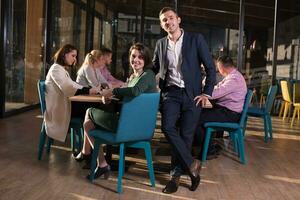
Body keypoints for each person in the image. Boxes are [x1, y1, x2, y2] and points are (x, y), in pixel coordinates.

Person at [152, 7, 216, 194]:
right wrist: (138, 75)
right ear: (162, 25)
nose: (168, 22)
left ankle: (176, 177)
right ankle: (191, 163)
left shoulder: (196, 39)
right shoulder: (161, 44)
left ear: (178, 20)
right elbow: (155, 68)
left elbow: (211, 68)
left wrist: (207, 93)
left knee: (186, 137)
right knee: (167, 127)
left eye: (171, 18)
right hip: (171, 93)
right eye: (164, 20)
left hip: (192, 94)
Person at [76, 43, 157, 179]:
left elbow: (134, 91)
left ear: (146, 59)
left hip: (130, 127)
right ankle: (101, 164)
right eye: (133, 56)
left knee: (89, 112)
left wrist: (112, 91)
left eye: (140, 57)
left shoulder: (147, 75)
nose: (136, 59)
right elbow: (129, 98)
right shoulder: (136, 76)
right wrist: (110, 98)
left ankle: (89, 155)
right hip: (131, 124)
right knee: (88, 125)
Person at [194, 55, 247, 159]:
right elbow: (218, 88)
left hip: (230, 114)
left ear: (221, 67)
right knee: (199, 113)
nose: (218, 70)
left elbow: (216, 93)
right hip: (227, 111)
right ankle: (208, 146)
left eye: (218, 68)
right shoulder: (233, 76)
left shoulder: (234, 79)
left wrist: (202, 92)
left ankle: (209, 150)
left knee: (196, 118)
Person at [44, 44, 100, 142]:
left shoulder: (61, 69)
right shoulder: (56, 69)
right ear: (64, 54)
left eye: (75, 56)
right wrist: (89, 90)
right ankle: (93, 145)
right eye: (73, 56)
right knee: (94, 110)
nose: (75, 59)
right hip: (59, 108)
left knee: (94, 109)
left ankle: (90, 147)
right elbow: (68, 88)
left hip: (64, 104)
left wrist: (89, 89)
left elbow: (74, 85)